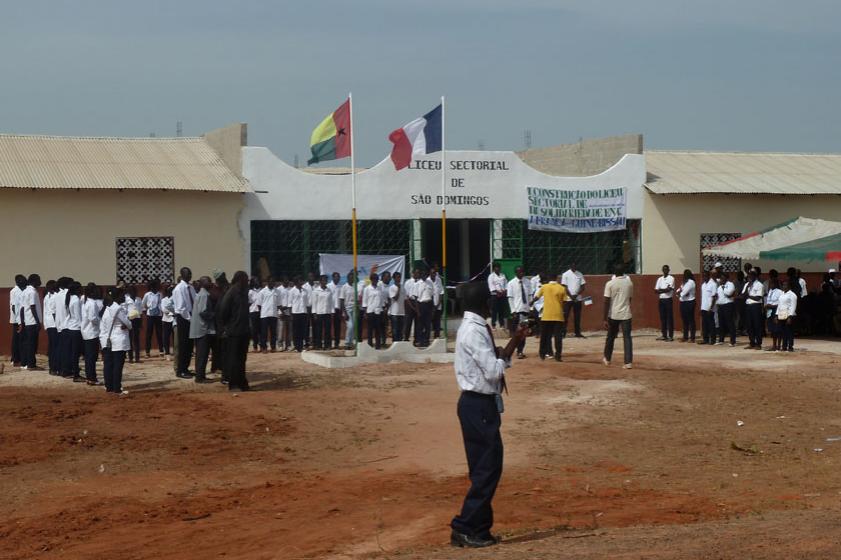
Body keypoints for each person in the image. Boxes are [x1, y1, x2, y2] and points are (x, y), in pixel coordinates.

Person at [450, 281, 528, 548]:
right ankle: (465, 526)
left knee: (484, 467)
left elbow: (494, 363)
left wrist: (512, 344)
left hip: (479, 404)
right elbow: (494, 371)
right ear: (486, 303)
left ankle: (480, 528)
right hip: (478, 405)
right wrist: (513, 343)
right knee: (488, 468)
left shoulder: (476, 327)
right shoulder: (473, 331)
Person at [218, 271, 251, 391]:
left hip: (244, 331)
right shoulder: (231, 292)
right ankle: (233, 384)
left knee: (242, 359)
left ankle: (242, 383)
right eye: (245, 279)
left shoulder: (244, 292)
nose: (247, 282)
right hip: (234, 332)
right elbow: (223, 311)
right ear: (239, 279)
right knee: (233, 359)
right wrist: (227, 327)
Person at [100, 287, 131, 395]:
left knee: (108, 364)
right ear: (117, 296)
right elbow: (128, 323)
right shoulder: (118, 308)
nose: (124, 297)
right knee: (118, 365)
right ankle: (117, 388)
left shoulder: (107, 308)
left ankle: (109, 387)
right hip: (118, 340)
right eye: (122, 295)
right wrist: (127, 325)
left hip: (107, 340)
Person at [603, 263, 633, 369]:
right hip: (626, 313)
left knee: (610, 337)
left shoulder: (610, 283)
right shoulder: (629, 283)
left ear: (614, 273)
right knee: (627, 338)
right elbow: (629, 299)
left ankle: (607, 358)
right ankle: (628, 362)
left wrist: (604, 318)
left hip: (613, 314)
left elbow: (606, 302)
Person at [533, 274, 566, 361]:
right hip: (558, 315)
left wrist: (531, 302)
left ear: (549, 278)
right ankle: (558, 356)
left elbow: (537, 297)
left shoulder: (544, 287)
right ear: (556, 278)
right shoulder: (561, 288)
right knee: (558, 336)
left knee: (545, 335)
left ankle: (542, 354)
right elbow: (565, 301)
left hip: (547, 314)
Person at [189, 276, 216, 383]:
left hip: (200, 328)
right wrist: (215, 315)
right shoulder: (204, 295)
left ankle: (201, 376)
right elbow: (203, 312)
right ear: (203, 283)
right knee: (202, 354)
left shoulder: (202, 294)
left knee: (202, 354)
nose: (211, 282)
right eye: (208, 281)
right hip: (202, 329)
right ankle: (200, 377)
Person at [172, 267, 197, 378]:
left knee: (189, 345)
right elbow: (181, 308)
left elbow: (195, 301)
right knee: (183, 345)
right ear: (182, 275)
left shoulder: (191, 287)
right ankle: (180, 370)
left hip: (191, 317)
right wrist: (191, 319)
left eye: (190, 273)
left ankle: (186, 368)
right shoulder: (179, 289)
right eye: (187, 274)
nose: (190, 276)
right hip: (183, 319)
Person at [506, 267, 531, 359]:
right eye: (519, 272)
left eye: (522, 272)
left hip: (525, 310)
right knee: (517, 332)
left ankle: (520, 351)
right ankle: (515, 349)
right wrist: (513, 311)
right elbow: (510, 298)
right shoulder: (511, 283)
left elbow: (529, 296)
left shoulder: (527, 282)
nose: (521, 273)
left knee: (524, 332)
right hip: (517, 311)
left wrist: (530, 308)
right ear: (516, 273)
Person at [19, 274, 43, 370]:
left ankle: (27, 363)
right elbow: (32, 307)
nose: (40, 282)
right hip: (32, 322)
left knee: (28, 343)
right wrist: (38, 322)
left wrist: (22, 322)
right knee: (32, 344)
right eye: (39, 279)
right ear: (34, 281)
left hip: (27, 321)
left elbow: (22, 309)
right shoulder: (32, 292)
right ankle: (31, 365)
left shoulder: (25, 291)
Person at [80, 283, 102, 385]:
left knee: (89, 357)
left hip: (86, 332)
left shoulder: (86, 302)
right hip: (92, 332)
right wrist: (101, 321)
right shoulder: (92, 303)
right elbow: (93, 318)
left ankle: (90, 377)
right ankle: (92, 378)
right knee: (91, 357)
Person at [64, 281, 84, 381]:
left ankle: (74, 371)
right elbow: (78, 317)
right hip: (76, 328)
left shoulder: (70, 298)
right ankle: (76, 374)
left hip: (71, 327)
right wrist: (83, 329)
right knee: (76, 353)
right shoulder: (76, 300)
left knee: (74, 352)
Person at [561, 264, 586, 338]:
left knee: (577, 316)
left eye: (575, 266)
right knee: (565, 316)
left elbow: (583, 286)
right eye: (573, 266)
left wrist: (577, 294)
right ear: (570, 266)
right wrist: (571, 296)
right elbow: (564, 287)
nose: (574, 267)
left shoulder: (580, 274)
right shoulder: (565, 274)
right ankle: (563, 332)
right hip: (568, 299)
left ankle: (577, 332)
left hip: (577, 299)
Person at [743, 269, 765, 349]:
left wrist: (748, 296)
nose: (750, 276)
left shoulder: (759, 285)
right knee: (749, 325)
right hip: (748, 306)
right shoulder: (747, 284)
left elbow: (758, 298)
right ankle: (752, 342)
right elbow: (743, 294)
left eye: (751, 275)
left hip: (756, 306)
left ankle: (758, 343)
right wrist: (747, 287)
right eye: (749, 275)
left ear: (755, 276)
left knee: (757, 325)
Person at [141, 278, 164, 358]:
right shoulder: (147, 294)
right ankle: (147, 351)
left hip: (158, 315)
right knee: (149, 334)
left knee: (159, 333)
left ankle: (161, 350)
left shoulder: (160, 294)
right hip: (150, 316)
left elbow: (162, 304)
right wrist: (146, 313)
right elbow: (143, 305)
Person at [311, 275, 334, 350]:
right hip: (319, 313)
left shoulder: (329, 290)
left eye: (326, 280)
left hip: (327, 312)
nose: (324, 282)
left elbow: (331, 302)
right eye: (323, 280)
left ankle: (327, 345)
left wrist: (332, 312)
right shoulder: (316, 291)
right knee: (319, 330)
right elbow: (314, 302)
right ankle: (319, 345)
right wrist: (314, 313)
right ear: (320, 281)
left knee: (327, 330)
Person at [363, 273, 385, 349]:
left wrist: (382, 309)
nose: (375, 281)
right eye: (374, 279)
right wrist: (365, 312)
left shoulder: (379, 289)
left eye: (377, 279)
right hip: (370, 311)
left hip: (378, 311)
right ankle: (370, 344)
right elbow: (365, 301)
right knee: (370, 329)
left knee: (378, 329)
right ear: (371, 280)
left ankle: (378, 345)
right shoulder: (367, 289)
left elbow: (381, 300)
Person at [654, 265, 675, 341]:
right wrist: (664, 290)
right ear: (662, 270)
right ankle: (664, 335)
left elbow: (669, 290)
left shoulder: (671, 278)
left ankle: (670, 336)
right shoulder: (659, 279)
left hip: (668, 300)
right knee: (663, 318)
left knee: (669, 318)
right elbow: (655, 291)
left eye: (666, 269)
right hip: (661, 300)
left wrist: (661, 290)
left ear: (669, 270)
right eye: (664, 269)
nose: (665, 271)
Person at [9, 275, 26, 367]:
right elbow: (14, 307)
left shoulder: (21, 290)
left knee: (19, 339)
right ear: (18, 281)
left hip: (20, 318)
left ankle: (16, 358)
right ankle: (15, 359)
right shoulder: (15, 291)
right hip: (16, 319)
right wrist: (19, 321)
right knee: (16, 340)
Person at [258, 278, 278, 353]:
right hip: (265, 315)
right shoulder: (262, 291)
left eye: (273, 282)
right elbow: (259, 305)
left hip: (274, 314)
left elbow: (279, 304)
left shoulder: (277, 291)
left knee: (273, 332)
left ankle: (273, 347)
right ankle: (264, 347)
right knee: (264, 332)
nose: (272, 283)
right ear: (268, 282)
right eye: (271, 281)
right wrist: (263, 312)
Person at [716, 271, 737, 346]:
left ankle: (732, 341)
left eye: (722, 277)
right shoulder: (719, 286)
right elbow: (718, 295)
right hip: (720, 306)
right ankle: (721, 339)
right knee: (721, 323)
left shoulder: (730, 284)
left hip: (728, 305)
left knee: (730, 323)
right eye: (720, 278)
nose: (721, 279)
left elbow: (728, 293)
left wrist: (723, 287)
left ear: (726, 278)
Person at [43, 280, 59, 375]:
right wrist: (58, 325)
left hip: (49, 325)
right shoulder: (54, 297)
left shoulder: (47, 296)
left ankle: (52, 367)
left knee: (52, 347)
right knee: (55, 347)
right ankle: (54, 367)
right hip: (54, 325)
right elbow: (53, 313)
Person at [777, 280, 797, 352]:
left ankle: (790, 346)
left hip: (789, 316)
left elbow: (793, 306)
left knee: (789, 332)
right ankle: (784, 346)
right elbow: (779, 305)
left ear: (789, 286)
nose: (784, 286)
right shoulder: (782, 294)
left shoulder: (792, 295)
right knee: (783, 332)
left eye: (786, 285)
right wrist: (777, 315)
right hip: (782, 315)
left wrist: (790, 317)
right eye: (783, 285)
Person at [416, 269, 435, 347]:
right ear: (420, 276)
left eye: (425, 275)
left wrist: (433, 308)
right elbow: (416, 298)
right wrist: (418, 311)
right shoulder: (417, 284)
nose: (424, 276)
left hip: (429, 304)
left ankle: (426, 340)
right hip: (421, 305)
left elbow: (432, 295)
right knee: (420, 325)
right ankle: (420, 341)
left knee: (428, 325)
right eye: (422, 275)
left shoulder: (430, 283)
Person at [289, 277, 308, 352]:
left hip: (303, 312)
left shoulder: (305, 291)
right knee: (296, 330)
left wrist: (307, 312)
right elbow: (290, 303)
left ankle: (302, 345)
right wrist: (291, 315)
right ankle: (297, 346)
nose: (301, 282)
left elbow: (306, 302)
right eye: (300, 281)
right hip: (295, 313)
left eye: (302, 281)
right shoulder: (292, 291)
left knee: (303, 330)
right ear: (296, 282)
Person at [486, 263, 508, 330]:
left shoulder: (503, 275)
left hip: (502, 295)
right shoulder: (491, 276)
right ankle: (493, 325)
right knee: (494, 310)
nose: (498, 269)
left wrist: (505, 291)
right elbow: (491, 286)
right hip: (495, 295)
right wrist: (497, 292)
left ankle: (502, 325)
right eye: (496, 267)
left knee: (501, 310)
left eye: (499, 267)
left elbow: (506, 284)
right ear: (494, 268)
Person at [340, 271, 358, 350]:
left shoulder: (355, 287)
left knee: (353, 326)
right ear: (347, 278)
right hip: (347, 309)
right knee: (350, 326)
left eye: (353, 278)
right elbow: (341, 300)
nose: (352, 279)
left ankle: (351, 343)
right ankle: (347, 343)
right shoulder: (344, 287)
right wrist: (344, 312)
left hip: (354, 308)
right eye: (350, 278)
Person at [125, 285, 142, 364]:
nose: (133, 293)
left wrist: (141, 322)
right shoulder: (127, 300)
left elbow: (141, 311)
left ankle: (137, 357)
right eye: (132, 291)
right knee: (130, 338)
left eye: (134, 291)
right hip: (130, 319)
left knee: (136, 338)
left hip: (137, 319)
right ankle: (130, 357)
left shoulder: (139, 299)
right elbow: (125, 310)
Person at [699, 270, 717, 345]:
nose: (704, 277)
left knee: (711, 324)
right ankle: (705, 339)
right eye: (703, 276)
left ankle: (712, 340)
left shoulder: (713, 284)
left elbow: (714, 297)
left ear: (709, 276)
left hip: (710, 308)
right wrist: (701, 308)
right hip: (703, 307)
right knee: (704, 324)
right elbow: (703, 297)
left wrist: (711, 308)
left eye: (706, 275)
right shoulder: (703, 285)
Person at [678, 269, 696, 343]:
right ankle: (685, 337)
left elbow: (684, 292)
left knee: (691, 320)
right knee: (684, 320)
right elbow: (677, 291)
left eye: (686, 274)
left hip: (690, 302)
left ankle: (692, 337)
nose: (685, 275)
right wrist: (680, 292)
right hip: (683, 302)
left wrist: (681, 292)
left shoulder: (691, 282)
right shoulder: (684, 282)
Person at [765, 277, 783, 351]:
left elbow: (780, 303)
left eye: (772, 283)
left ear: (775, 284)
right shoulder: (770, 291)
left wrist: (771, 306)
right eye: (770, 283)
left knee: (777, 329)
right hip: (769, 311)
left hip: (776, 310)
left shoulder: (779, 292)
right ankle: (774, 345)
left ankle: (779, 345)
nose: (770, 285)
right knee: (772, 330)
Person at [388, 271, 406, 342]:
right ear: (394, 278)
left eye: (400, 277)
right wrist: (398, 289)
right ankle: (395, 343)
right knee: (394, 330)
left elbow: (405, 299)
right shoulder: (392, 288)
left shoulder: (403, 287)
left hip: (402, 312)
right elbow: (395, 298)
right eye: (397, 277)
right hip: (394, 313)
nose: (399, 279)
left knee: (400, 330)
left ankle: (400, 343)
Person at [328, 272, 343, 349]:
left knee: (337, 327)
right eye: (336, 277)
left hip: (338, 309)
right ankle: (329, 343)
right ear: (332, 278)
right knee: (330, 327)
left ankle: (337, 343)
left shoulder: (340, 287)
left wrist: (341, 310)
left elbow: (341, 299)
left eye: (338, 277)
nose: (337, 278)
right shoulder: (328, 286)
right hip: (331, 309)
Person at [161, 286, 175, 360]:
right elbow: (164, 309)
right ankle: (167, 353)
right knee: (166, 337)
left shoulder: (175, 299)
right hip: (166, 320)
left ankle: (175, 352)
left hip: (174, 320)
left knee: (175, 337)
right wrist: (172, 312)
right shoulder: (164, 300)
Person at [430, 267, 445, 339]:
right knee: (429, 322)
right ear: (430, 273)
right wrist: (432, 305)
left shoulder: (439, 280)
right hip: (430, 305)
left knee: (437, 322)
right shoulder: (427, 280)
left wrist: (438, 303)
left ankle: (437, 337)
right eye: (432, 273)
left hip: (438, 305)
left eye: (435, 273)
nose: (434, 274)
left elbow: (441, 292)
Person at [248, 277, 261, 352]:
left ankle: (262, 345)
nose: (257, 283)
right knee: (254, 330)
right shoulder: (250, 292)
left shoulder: (262, 291)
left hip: (261, 312)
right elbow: (248, 302)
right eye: (255, 281)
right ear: (253, 283)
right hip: (253, 312)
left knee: (261, 330)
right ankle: (255, 346)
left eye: (258, 281)